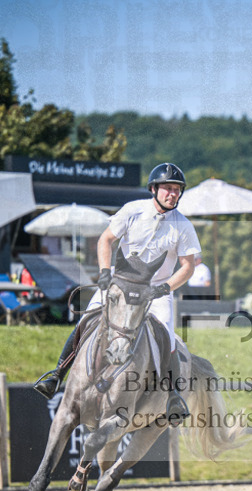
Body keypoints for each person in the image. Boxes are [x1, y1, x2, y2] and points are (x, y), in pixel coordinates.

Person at [33, 162, 201, 425]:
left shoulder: (183, 226)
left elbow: (188, 266)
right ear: (154, 189)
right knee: (85, 319)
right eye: (168, 188)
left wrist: (165, 287)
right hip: (120, 284)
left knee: (167, 335)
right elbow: (105, 240)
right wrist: (103, 272)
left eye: (177, 190)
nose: (173, 194)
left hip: (156, 290)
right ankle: (57, 374)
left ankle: (174, 396)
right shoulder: (132, 210)